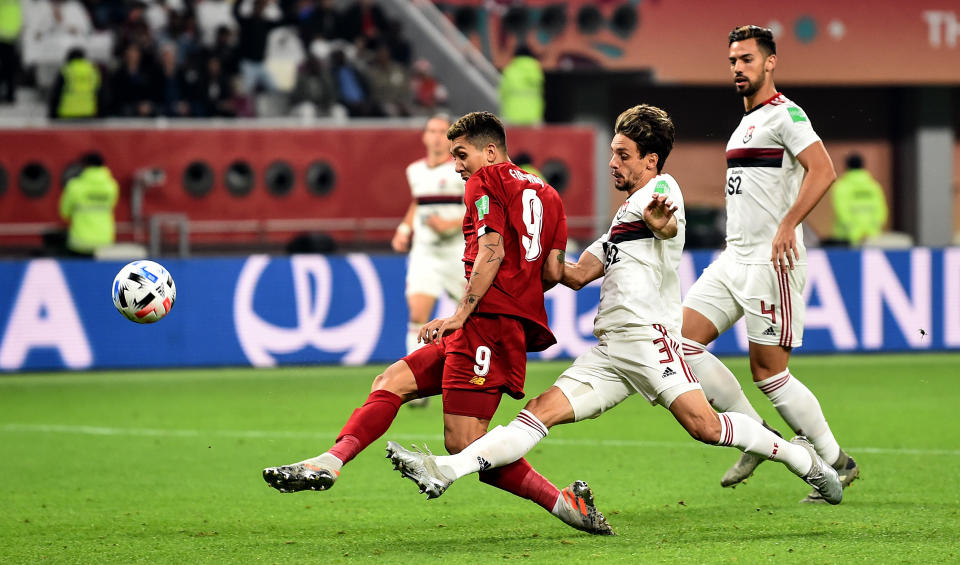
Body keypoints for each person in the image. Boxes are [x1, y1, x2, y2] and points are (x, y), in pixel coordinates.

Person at [386, 104, 843, 509]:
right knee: (539, 413)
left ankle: (804, 458)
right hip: (612, 349)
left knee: (704, 427)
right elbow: (577, 274)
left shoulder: (663, 193)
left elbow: (664, 224)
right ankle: (447, 470)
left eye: (623, 155)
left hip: (650, 340)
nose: (613, 163)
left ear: (650, 159)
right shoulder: (624, 216)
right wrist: (540, 250)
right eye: (612, 152)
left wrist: (661, 224)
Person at [263, 112, 611, 535]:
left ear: (490, 150)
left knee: (465, 444)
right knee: (391, 380)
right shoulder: (549, 194)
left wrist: (461, 313)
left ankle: (562, 503)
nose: (457, 166)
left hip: (487, 324)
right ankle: (330, 461)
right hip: (491, 322)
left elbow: (492, 250)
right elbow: (559, 274)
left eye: (462, 155)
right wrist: (612, 252)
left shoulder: (487, 180)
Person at [678, 25, 859, 503]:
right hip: (731, 258)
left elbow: (824, 170)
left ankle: (837, 462)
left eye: (748, 59)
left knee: (769, 374)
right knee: (678, 343)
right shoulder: (745, 123)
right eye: (733, 60)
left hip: (770, 262)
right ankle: (755, 436)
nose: (739, 68)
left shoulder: (786, 115)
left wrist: (789, 225)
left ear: (770, 62)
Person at [390, 114, 465, 408]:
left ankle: (471, 372)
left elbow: (475, 208)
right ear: (424, 136)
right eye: (431, 131)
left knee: (471, 315)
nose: (435, 136)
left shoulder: (461, 171)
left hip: (455, 253)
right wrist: (404, 229)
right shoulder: (415, 171)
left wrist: (450, 225)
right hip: (425, 253)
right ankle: (414, 386)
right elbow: (418, 203)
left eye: (441, 132)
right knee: (417, 315)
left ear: (449, 139)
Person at [59, 152, 119, 256]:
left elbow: (64, 213)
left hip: (79, 243)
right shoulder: (112, 186)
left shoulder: (74, 186)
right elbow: (112, 206)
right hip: (104, 241)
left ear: (85, 166)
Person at [831, 153, 887, 245]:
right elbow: (881, 211)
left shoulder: (841, 186)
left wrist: (854, 232)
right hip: (871, 237)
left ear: (846, 166)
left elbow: (842, 211)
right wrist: (872, 229)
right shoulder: (873, 186)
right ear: (863, 165)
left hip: (846, 239)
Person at [48, 47, 100, 119]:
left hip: (66, 113)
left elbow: (56, 94)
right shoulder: (92, 71)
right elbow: (100, 93)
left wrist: (52, 114)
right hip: (89, 113)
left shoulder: (66, 70)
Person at [498, 44, 543, 125]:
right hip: (533, 118)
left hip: (512, 117)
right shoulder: (537, 72)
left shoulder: (510, 71)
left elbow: (502, 93)